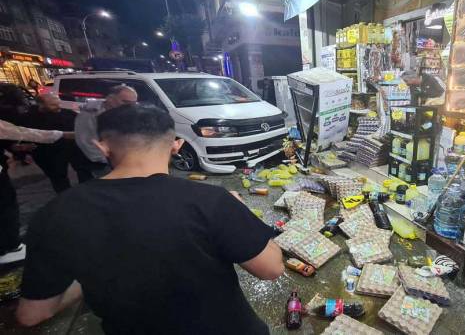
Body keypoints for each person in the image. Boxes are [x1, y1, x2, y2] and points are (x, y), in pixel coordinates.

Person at [17, 104, 284, 334]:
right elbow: (271, 268)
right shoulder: (210, 201)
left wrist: (92, 273)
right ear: (176, 145)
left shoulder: (55, 213)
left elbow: (33, 314)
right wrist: (241, 214)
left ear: (101, 146)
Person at [0, 83, 72, 264]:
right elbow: (25, 133)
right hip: (45, 156)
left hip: (58, 152)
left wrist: (15, 150)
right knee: (6, 205)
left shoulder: (63, 114)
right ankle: (9, 245)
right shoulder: (27, 118)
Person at [74, 84, 137, 179]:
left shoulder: (127, 111)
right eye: (125, 102)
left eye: (133, 103)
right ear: (110, 98)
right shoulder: (89, 114)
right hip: (102, 164)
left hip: (123, 160)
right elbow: (87, 142)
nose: (130, 106)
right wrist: (108, 162)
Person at [20, 93, 78, 192]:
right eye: (53, 105)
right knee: (58, 178)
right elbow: (24, 136)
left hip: (69, 148)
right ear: (41, 105)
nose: (58, 107)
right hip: (46, 154)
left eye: (58, 103)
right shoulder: (29, 118)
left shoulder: (67, 113)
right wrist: (24, 153)